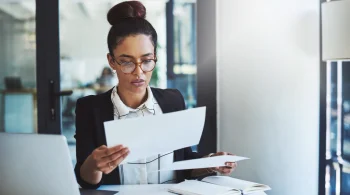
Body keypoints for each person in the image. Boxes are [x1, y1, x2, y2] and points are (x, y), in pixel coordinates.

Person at [74, 1, 237, 189]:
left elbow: (183, 164)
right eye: (127, 62)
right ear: (111, 61)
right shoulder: (90, 108)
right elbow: (84, 179)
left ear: (155, 57)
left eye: (146, 60)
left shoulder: (173, 100)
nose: (139, 72)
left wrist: (209, 163)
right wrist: (94, 166)